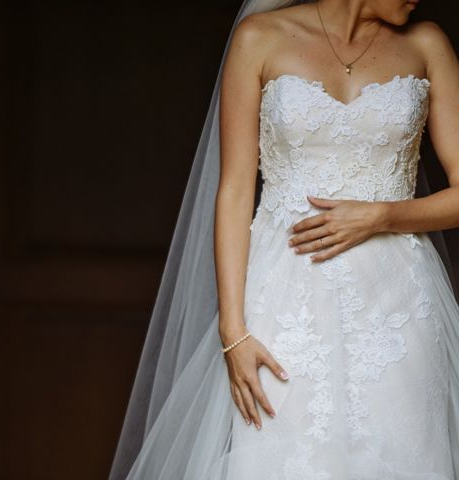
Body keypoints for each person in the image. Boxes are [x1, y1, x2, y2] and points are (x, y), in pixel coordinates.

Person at [109, 0, 459, 478]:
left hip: (398, 312)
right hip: (284, 308)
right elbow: (234, 190)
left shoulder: (427, 46)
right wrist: (233, 332)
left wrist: (383, 216)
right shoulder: (259, 39)